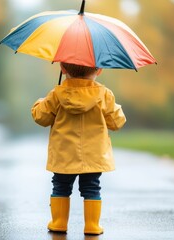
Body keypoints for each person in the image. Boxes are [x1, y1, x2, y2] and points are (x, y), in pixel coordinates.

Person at [31, 62, 126, 235]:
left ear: (63, 68)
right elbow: (117, 122)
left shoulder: (57, 94)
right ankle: (92, 225)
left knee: (60, 186)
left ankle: (59, 222)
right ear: (99, 69)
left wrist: (41, 102)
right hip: (93, 155)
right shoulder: (104, 94)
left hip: (63, 154)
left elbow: (41, 118)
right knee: (92, 187)